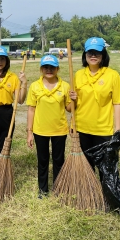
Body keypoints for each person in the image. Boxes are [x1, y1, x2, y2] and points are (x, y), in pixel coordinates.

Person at [73, 37, 120, 179]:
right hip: (82, 127)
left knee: (105, 168)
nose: (93, 56)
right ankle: (89, 195)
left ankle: (105, 196)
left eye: (97, 52)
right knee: (86, 166)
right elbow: (72, 106)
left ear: (103, 55)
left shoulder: (112, 75)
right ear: (85, 55)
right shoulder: (78, 75)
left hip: (103, 129)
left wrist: (118, 129)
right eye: (90, 52)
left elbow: (118, 103)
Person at [26, 55, 77, 198]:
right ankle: (43, 189)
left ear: (57, 69)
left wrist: (74, 100)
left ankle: (58, 187)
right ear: (41, 69)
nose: (49, 70)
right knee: (42, 160)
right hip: (40, 130)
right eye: (46, 67)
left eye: (52, 67)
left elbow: (68, 108)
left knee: (58, 160)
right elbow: (31, 109)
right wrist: (29, 132)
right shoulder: (35, 86)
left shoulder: (65, 86)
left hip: (59, 129)